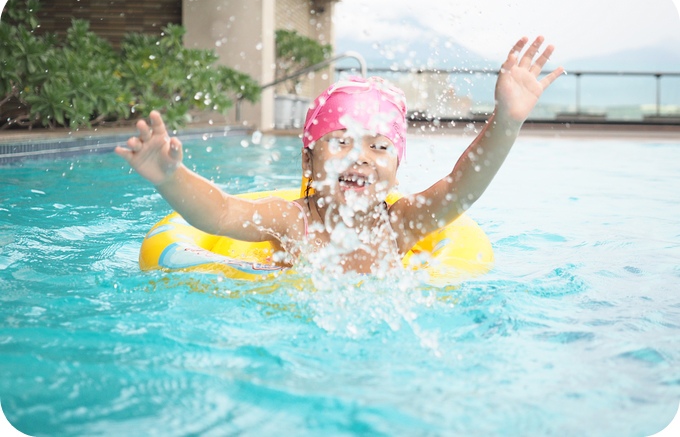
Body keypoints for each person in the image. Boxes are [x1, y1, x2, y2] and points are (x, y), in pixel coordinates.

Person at [115, 36, 564, 276]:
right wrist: (170, 176)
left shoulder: (399, 223)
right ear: (309, 161)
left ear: (395, 168)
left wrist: (506, 120)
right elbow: (222, 213)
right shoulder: (292, 221)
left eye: (379, 146)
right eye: (342, 141)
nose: (362, 156)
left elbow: (459, 188)